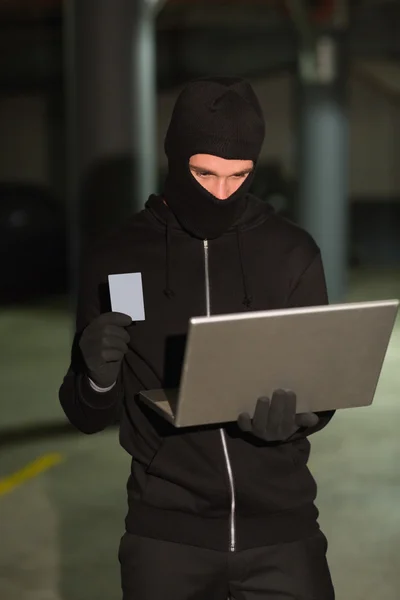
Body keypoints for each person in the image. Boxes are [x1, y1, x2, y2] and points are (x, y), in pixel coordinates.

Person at [59, 77, 335, 599]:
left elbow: (320, 389)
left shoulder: (291, 252)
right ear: (174, 157)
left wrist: (303, 417)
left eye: (239, 176)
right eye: (204, 173)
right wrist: (95, 377)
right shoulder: (118, 257)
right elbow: (85, 414)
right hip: (166, 539)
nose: (221, 192)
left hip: (283, 534)